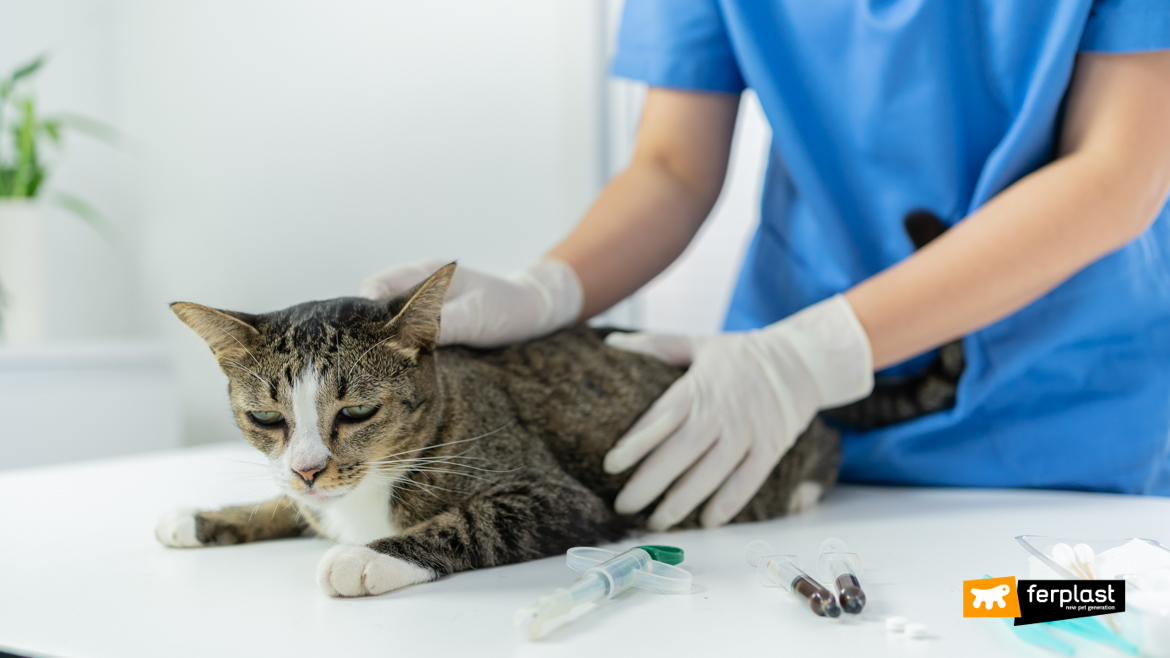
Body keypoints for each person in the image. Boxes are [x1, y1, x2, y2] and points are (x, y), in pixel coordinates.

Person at [361, 1, 1170, 532]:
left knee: (1038, 614)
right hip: (773, 437)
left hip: (1069, 437)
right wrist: (549, 288)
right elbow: (672, 168)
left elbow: (1117, 175)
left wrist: (809, 356)